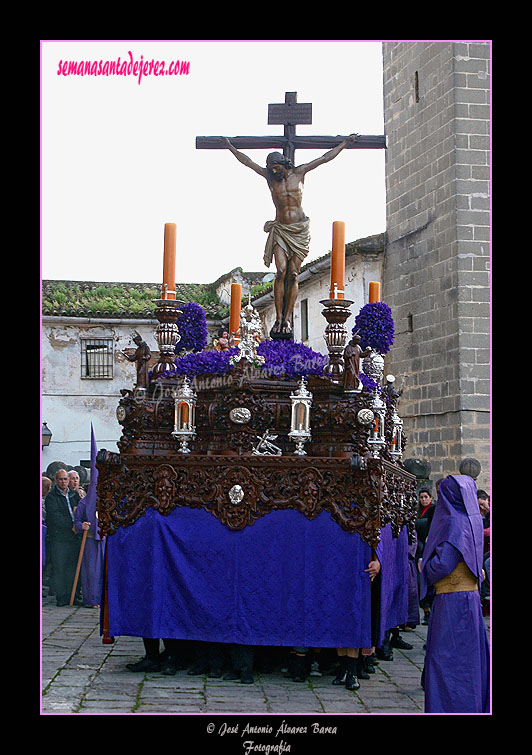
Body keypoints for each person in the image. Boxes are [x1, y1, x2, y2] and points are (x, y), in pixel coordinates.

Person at [222, 134, 358, 335]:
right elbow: (247, 162)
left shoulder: (300, 172)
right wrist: (229, 146)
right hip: (281, 230)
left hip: (300, 230)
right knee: (281, 271)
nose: (273, 172)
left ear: (282, 164)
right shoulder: (269, 177)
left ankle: (287, 319)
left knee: (294, 274)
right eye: (270, 169)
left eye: (275, 168)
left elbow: (324, 158)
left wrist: (344, 144)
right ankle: (278, 317)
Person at [420, 474, 490, 713]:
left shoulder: (454, 523)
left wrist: (425, 567)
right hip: (469, 598)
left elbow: (443, 564)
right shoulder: (474, 520)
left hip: (452, 600)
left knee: (446, 659)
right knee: (469, 659)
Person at [331, 551, 381, 691]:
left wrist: (378, 561)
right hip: (338, 564)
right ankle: (343, 669)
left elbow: (378, 542)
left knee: (355, 618)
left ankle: (352, 671)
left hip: (360, 566)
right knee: (339, 617)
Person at [44, 469, 83, 606]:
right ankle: (62, 597)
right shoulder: (51, 497)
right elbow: (55, 517)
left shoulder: (74, 495)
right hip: (60, 537)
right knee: (60, 567)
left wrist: (78, 524)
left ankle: (74, 595)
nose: (64, 482)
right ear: (56, 480)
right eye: (60, 479)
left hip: (74, 537)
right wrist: (71, 525)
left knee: (73, 567)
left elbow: (80, 511)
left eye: (65, 479)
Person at [73, 491, 105, 608]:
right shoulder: (84, 502)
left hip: (106, 541)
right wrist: (82, 525)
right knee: (91, 571)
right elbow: (77, 521)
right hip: (90, 541)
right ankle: (92, 599)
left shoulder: (108, 499)